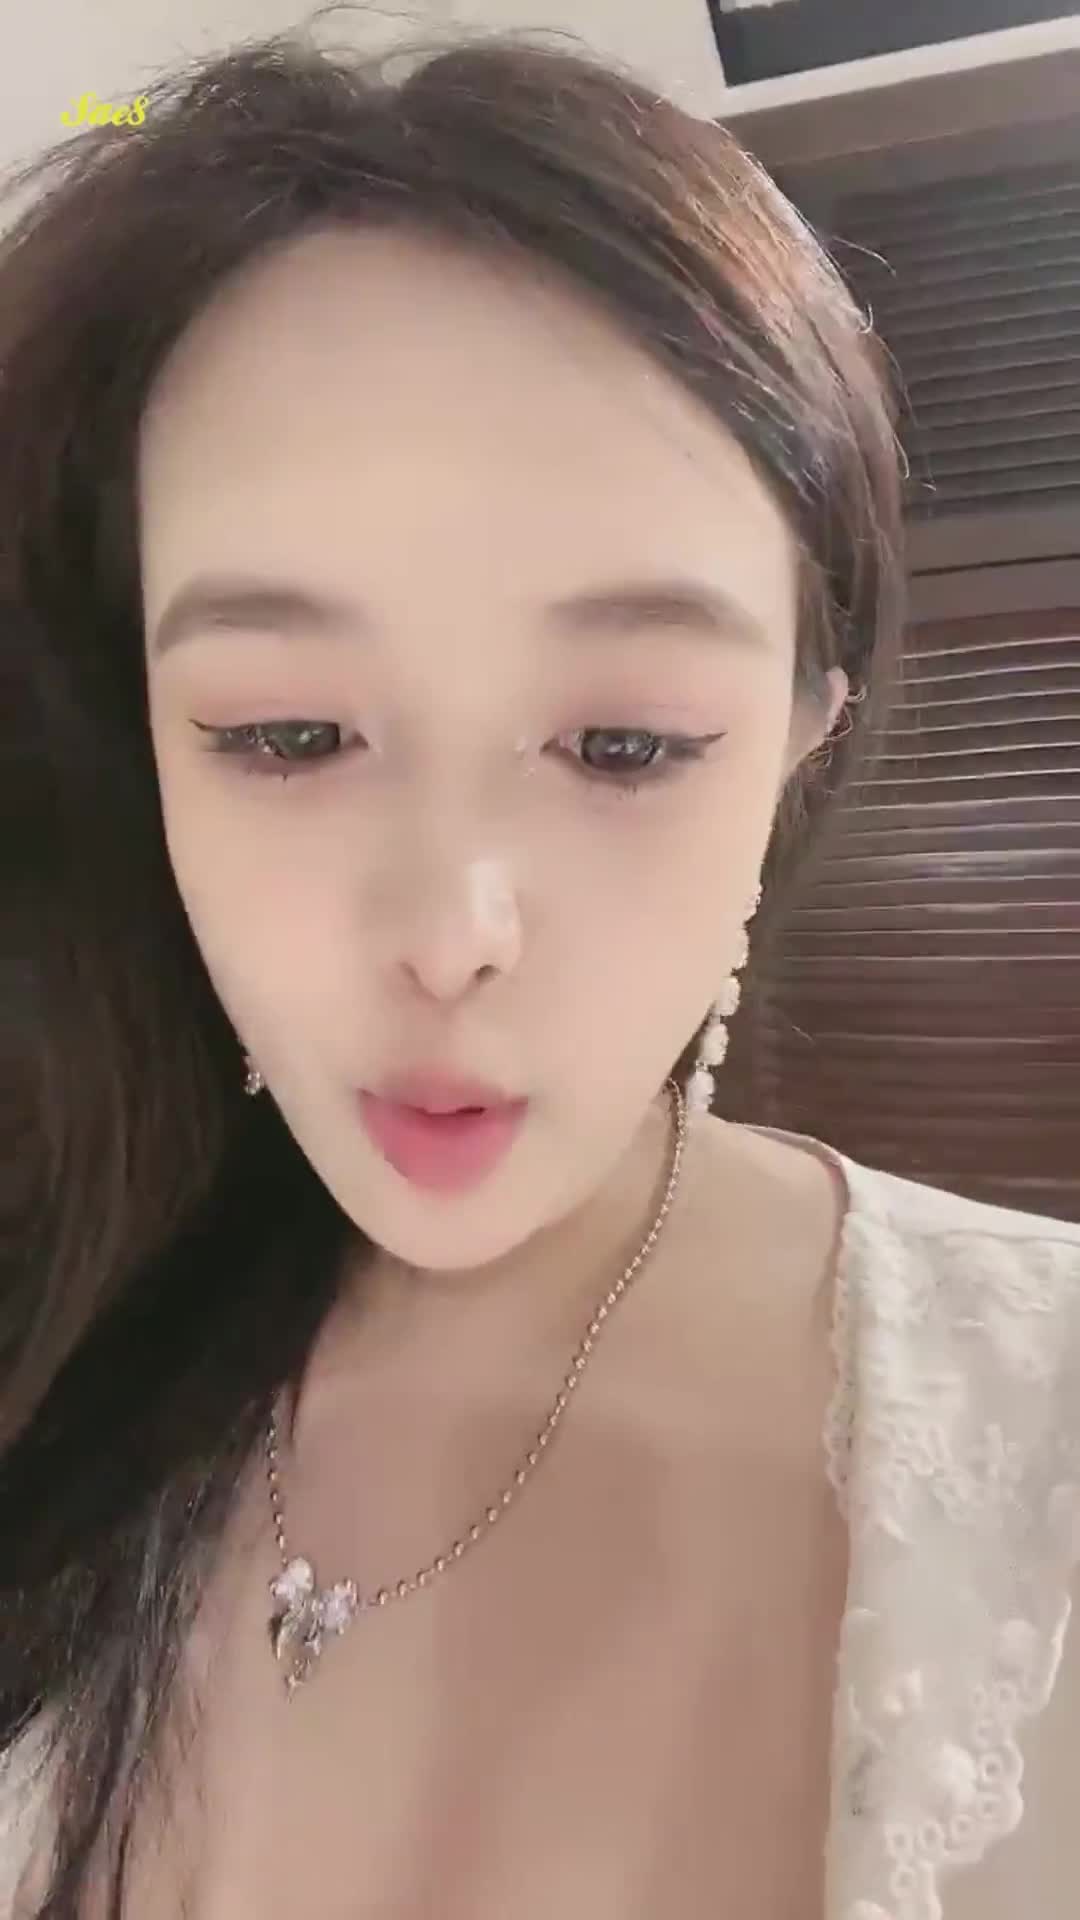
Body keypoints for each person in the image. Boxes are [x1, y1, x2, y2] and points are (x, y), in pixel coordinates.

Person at [2, 22, 1079, 1920]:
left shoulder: (1037, 1443)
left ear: (802, 734)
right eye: (284, 736)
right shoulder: (54, 1308)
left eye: (625, 745)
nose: (450, 935)